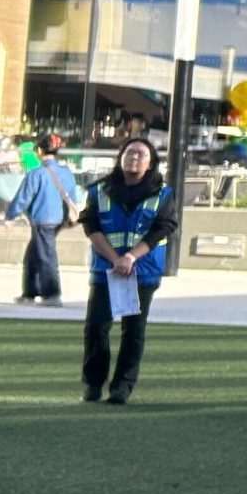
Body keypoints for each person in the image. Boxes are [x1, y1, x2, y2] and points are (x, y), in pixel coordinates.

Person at [79, 139, 177, 405]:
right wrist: (115, 259)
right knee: (96, 327)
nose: (134, 157)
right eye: (130, 152)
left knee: (133, 330)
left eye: (141, 154)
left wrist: (132, 257)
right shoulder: (99, 190)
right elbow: (91, 226)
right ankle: (93, 383)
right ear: (120, 157)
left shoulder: (163, 194)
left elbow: (163, 228)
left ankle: (122, 386)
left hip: (142, 271)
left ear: (151, 163)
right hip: (106, 270)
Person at [7, 135, 82, 304]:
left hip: (42, 218)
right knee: (34, 254)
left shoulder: (37, 173)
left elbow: (24, 197)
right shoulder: (66, 172)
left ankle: (51, 294)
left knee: (46, 256)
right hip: (59, 218)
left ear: (39, 151)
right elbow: (72, 194)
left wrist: (11, 215)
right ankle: (29, 292)